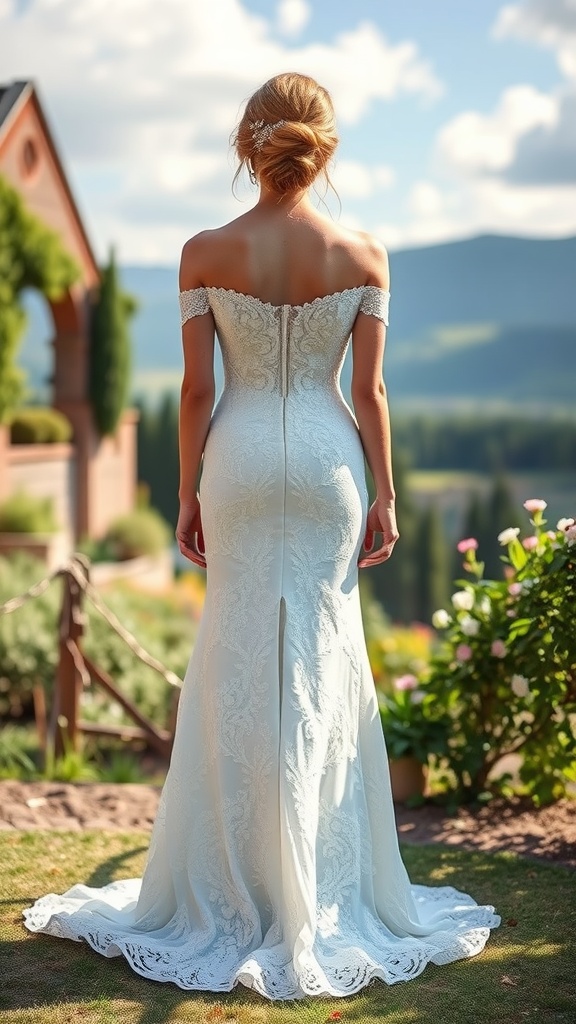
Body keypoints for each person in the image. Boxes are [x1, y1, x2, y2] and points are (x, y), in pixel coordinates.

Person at [23, 72, 500, 1000]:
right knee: (323, 659)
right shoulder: (365, 253)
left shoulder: (204, 249)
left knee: (237, 654)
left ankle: (235, 883)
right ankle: (319, 887)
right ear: (325, 146)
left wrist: (187, 490)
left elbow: (198, 393)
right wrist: (388, 494)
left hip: (237, 461)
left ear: (250, 142)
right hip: (327, 466)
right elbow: (368, 395)